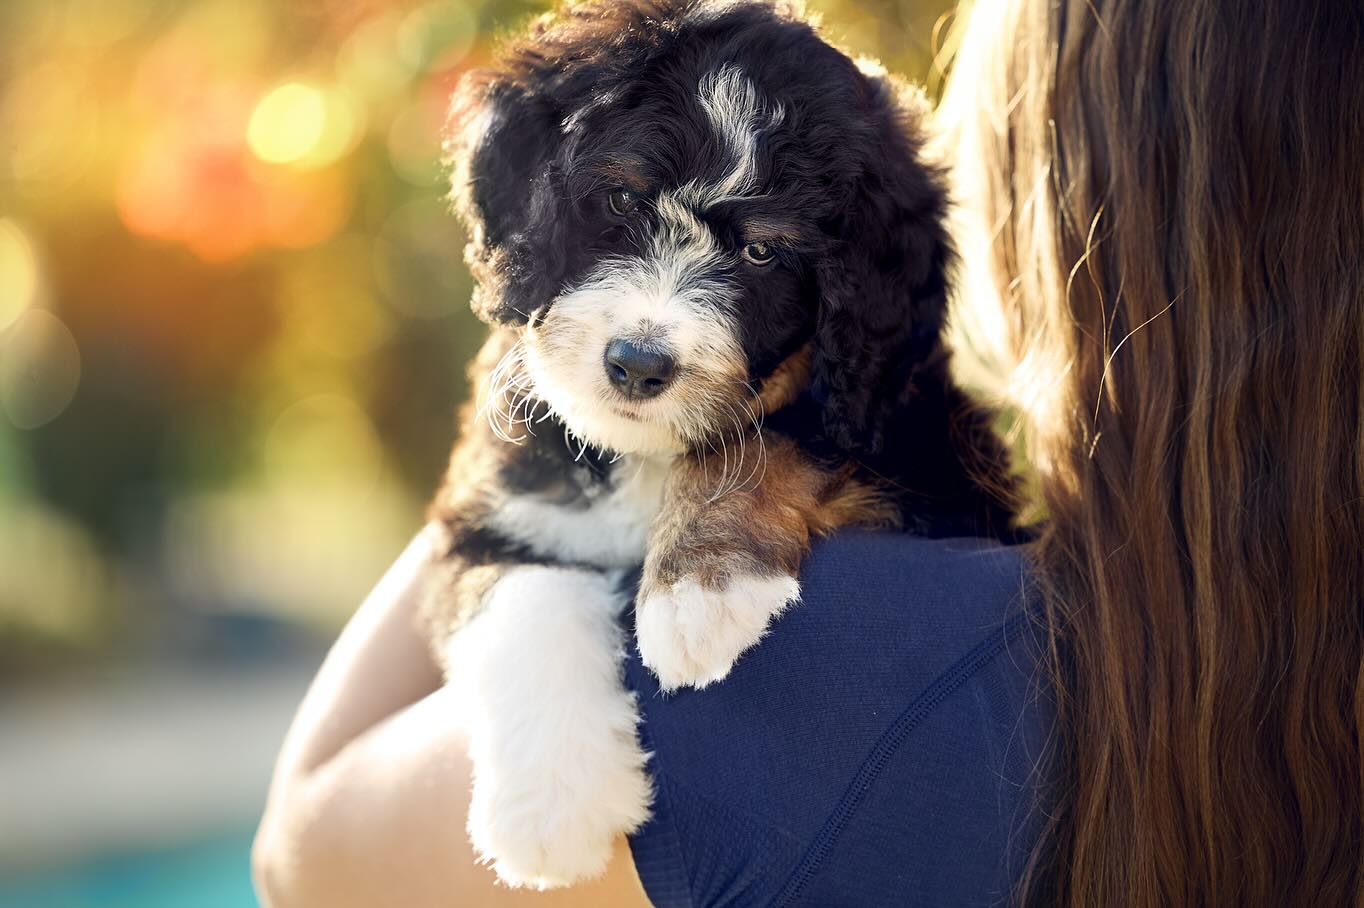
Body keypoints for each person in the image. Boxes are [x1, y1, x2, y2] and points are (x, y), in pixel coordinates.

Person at [253, 0, 1364, 904]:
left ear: (1066, 200)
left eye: (760, 256)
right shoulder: (1224, 680)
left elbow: (308, 853)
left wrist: (540, 414)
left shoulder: (835, 658)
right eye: (621, 206)